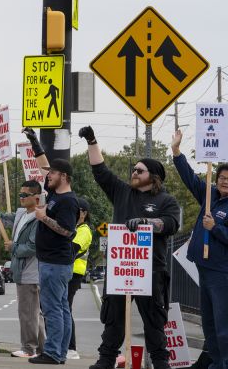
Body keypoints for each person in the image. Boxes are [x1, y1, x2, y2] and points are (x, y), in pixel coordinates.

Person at [78, 126, 180, 369]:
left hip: (151, 271)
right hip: (121, 270)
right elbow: (100, 172)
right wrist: (92, 140)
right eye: (133, 169)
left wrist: (147, 223)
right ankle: (106, 360)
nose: (133, 172)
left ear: (153, 176)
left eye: (139, 170)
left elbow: (171, 224)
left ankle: (160, 362)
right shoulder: (123, 192)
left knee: (154, 321)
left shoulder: (166, 201)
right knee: (113, 319)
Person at [171, 128, 228, 369]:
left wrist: (215, 227)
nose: (225, 182)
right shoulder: (209, 195)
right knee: (210, 323)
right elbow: (190, 177)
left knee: (223, 324)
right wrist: (176, 151)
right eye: (222, 178)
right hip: (203, 269)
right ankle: (215, 362)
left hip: (222, 273)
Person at [22, 128, 79, 365]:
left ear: (63, 176)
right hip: (54, 262)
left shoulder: (67, 201)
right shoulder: (55, 193)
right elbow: (43, 165)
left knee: (53, 310)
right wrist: (34, 142)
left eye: (53, 174)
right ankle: (60, 352)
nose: (47, 176)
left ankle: (54, 353)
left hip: (55, 263)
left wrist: (43, 218)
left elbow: (68, 231)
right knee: (61, 309)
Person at [1, 179, 45, 358]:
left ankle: (28, 348)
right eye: (20, 194)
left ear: (36, 198)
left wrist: (14, 247)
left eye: (24, 195)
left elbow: (34, 247)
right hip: (22, 270)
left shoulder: (39, 217)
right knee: (35, 313)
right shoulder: (21, 214)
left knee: (27, 312)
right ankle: (43, 347)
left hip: (31, 271)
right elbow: (3, 217)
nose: (21, 197)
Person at [67, 197, 93, 360]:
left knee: (65, 308)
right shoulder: (73, 228)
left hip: (74, 273)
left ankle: (71, 347)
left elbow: (72, 248)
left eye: (77, 211)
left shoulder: (84, 230)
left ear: (84, 214)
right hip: (66, 272)